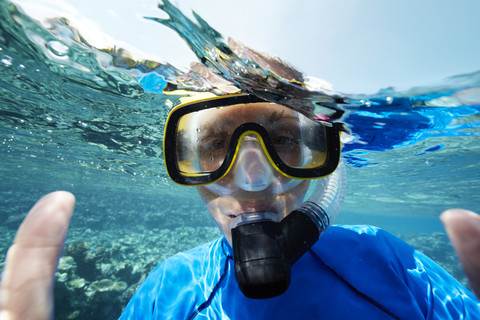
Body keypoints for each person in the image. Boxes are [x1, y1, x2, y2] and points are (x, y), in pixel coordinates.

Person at [1, 47, 480, 320]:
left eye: (286, 138)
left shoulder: (388, 260)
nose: (253, 181)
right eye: (213, 144)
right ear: (181, 159)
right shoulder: (169, 292)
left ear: (325, 155)